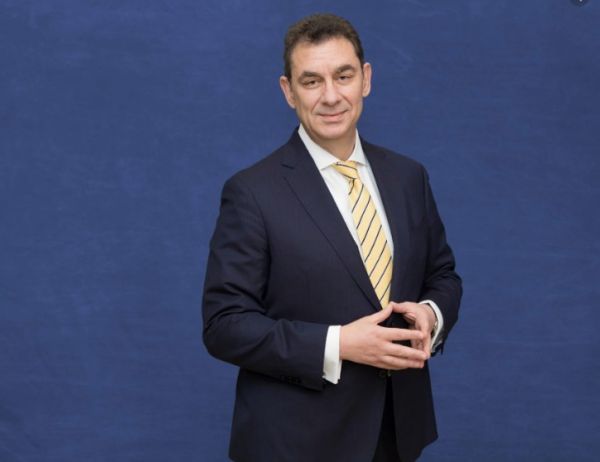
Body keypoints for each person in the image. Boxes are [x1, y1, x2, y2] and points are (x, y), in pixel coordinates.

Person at [202, 13, 462, 462]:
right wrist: (338, 344)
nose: (330, 96)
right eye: (311, 81)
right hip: (296, 443)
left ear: (366, 79)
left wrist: (430, 314)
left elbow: (443, 275)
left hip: (398, 434)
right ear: (288, 91)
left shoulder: (408, 177)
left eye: (343, 76)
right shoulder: (251, 193)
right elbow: (224, 326)